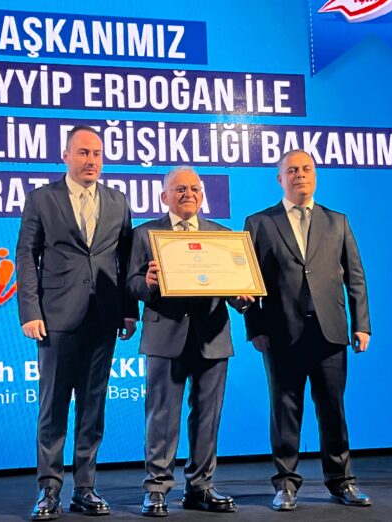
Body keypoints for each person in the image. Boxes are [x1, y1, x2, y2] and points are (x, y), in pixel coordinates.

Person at [16, 125, 138, 521]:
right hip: (55, 319)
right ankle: (49, 488)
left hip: (103, 318)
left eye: (97, 154)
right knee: (53, 406)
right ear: (66, 156)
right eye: (83, 152)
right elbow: (27, 257)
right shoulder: (41, 198)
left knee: (93, 406)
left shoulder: (118, 200)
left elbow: (126, 260)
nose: (91, 161)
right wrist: (30, 311)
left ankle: (85, 488)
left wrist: (129, 310)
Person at [243, 149, 372, 511]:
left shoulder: (338, 221)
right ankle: (285, 484)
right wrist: (255, 328)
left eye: (306, 169)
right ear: (280, 179)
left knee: (333, 410)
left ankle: (342, 481)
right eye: (292, 170)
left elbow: (356, 278)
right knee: (285, 411)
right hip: (280, 334)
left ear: (315, 175)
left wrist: (361, 324)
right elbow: (248, 281)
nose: (300, 174)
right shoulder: (259, 223)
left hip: (330, 333)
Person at [127, 166, 253, 517]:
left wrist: (243, 297)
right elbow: (130, 285)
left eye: (194, 189)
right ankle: (157, 488)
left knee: (207, 417)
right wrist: (147, 283)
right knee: (161, 417)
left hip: (212, 337)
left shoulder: (223, 236)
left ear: (202, 195)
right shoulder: (144, 234)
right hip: (164, 335)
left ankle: (200, 487)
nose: (188, 194)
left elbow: (235, 289)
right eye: (180, 189)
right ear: (164, 196)